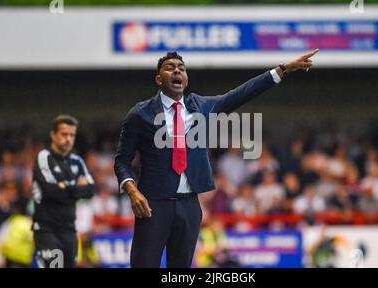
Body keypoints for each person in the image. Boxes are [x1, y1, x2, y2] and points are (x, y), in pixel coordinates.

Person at [114, 50, 319, 268]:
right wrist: (132, 190)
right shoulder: (140, 114)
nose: (177, 71)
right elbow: (121, 161)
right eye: (170, 67)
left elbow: (242, 93)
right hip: (153, 205)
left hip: (190, 206)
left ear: (186, 78)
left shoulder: (202, 106)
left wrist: (283, 69)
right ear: (158, 78)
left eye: (181, 68)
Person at [32, 115, 94, 268]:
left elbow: (90, 190)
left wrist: (64, 186)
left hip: (69, 230)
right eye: (64, 134)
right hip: (47, 230)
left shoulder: (77, 161)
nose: (68, 139)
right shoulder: (44, 157)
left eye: (72, 135)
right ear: (53, 135)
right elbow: (50, 191)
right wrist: (76, 187)